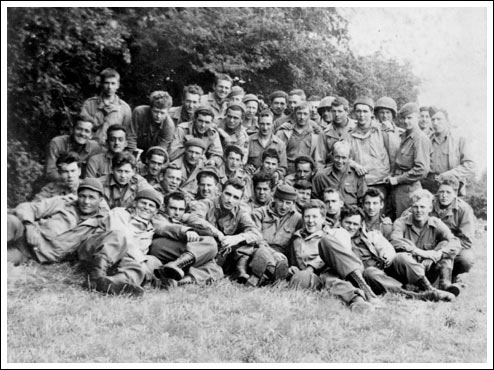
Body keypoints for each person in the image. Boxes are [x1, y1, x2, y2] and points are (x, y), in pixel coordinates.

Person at [340, 205, 454, 301]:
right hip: (367, 277)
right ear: (341, 222)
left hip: (385, 268)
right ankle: (416, 296)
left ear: (361, 224)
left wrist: (387, 255)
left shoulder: (370, 235)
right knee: (371, 272)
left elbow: (387, 248)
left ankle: (429, 288)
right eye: (348, 223)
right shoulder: (336, 238)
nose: (351, 227)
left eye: (355, 224)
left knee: (401, 257)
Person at [288, 200, 379, 311]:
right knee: (323, 279)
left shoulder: (336, 233)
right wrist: (293, 268)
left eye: (314, 217)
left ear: (323, 219)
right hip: (316, 277)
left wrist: (311, 267)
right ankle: (358, 301)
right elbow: (295, 263)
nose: (310, 221)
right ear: (302, 218)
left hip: (342, 270)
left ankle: (363, 291)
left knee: (327, 252)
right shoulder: (296, 239)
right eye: (307, 216)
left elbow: (342, 256)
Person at [78, 189, 164, 297]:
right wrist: (141, 260)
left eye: (151, 205)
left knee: (137, 267)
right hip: (96, 251)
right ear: (135, 203)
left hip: (119, 260)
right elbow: (120, 237)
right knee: (119, 236)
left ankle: (113, 283)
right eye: (143, 203)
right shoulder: (120, 212)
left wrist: (141, 264)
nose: (146, 207)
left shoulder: (150, 230)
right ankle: (95, 277)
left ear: (155, 211)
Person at [7, 179, 109, 265]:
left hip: (33, 255)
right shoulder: (63, 202)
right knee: (10, 221)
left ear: (100, 200)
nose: (86, 201)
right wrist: (29, 226)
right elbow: (27, 207)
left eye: (91, 197)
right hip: (24, 234)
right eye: (82, 196)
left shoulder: (102, 222)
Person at [186, 178, 262, 283]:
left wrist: (237, 238)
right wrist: (216, 233)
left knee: (248, 244)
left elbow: (256, 233)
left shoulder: (240, 212)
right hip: (203, 251)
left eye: (235, 197)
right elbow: (194, 218)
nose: (230, 200)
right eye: (228, 194)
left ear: (240, 200)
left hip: (222, 255)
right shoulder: (206, 204)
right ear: (221, 192)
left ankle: (239, 271)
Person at [390, 189, 462, 297]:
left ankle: (445, 284)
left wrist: (437, 254)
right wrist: (420, 252)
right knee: (400, 257)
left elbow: (455, 242)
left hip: (428, 269)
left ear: (430, 208)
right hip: (408, 272)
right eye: (415, 207)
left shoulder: (436, 223)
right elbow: (394, 241)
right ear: (411, 208)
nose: (419, 210)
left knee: (445, 244)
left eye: (422, 207)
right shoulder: (401, 222)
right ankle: (425, 288)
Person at [150, 191, 224, 288]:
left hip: (181, 253)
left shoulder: (184, 219)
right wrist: (185, 231)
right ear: (164, 207)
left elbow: (201, 223)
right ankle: (176, 265)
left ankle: (177, 282)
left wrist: (218, 233)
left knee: (216, 270)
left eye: (181, 209)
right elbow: (164, 228)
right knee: (211, 244)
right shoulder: (158, 217)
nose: (177, 213)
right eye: (173, 208)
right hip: (161, 248)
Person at [248, 185, 302, 286]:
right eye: (281, 201)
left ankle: (263, 277)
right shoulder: (259, 213)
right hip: (259, 251)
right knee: (262, 254)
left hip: (283, 258)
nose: (284, 206)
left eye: (288, 203)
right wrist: (272, 253)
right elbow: (256, 238)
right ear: (274, 199)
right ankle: (277, 276)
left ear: (293, 203)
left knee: (282, 263)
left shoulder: (298, 219)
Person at [384, 103, 431, 218]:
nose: (406, 121)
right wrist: (392, 176)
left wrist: (397, 179)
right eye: (404, 118)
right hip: (397, 190)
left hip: (410, 191)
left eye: (409, 118)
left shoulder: (420, 139)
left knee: (406, 224)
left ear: (418, 118)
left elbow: (421, 170)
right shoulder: (404, 136)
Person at [430, 176, 475, 284]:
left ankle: (453, 275)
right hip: (430, 243)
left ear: (455, 194)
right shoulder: (428, 202)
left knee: (466, 259)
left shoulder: (464, 209)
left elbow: (466, 240)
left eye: (448, 192)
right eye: (441, 192)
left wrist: (447, 247)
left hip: (454, 246)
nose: (444, 196)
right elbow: (412, 213)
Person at [422, 107, 475, 195]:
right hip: (429, 186)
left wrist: (448, 175)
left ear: (447, 121)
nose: (435, 123)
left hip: (451, 186)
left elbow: (470, 165)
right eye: (433, 120)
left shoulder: (459, 140)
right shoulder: (426, 140)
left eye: (439, 119)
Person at [348, 97, 390, 206]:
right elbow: (342, 157)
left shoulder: (382, 131)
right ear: (354, 113)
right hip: (359, 183)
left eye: (365, 111)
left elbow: (394, 155)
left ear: (371, 113)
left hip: (380, 183)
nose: (362, 115)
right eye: (358, 111)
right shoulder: (349, 134)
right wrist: (355, 165)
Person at [80, 68, 134, 149]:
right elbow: (82, 128)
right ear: (101, 84)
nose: (109, 87)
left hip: (112, 150)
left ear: (118, 85)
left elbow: (128, 134)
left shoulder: (124, 108)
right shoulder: (89, 104)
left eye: (113, 83)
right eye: (106, 83)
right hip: (90, 148)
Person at [312, 141, 367, 206]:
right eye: (337, 157)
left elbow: (363, 200)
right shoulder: (321, 176)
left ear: (349, 158)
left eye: (344, 158)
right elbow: (315, 200)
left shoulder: (357, 175)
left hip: (352, 213)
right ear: (332, 156)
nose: (340, 161)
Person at [317, 96, 356, 166]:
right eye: (334, 111)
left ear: (347, 112)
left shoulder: (356, 128)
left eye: (340, 111)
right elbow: (319, 160)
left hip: (354, 170)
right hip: (332, 171)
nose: (337, 115)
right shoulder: (325, 133)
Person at [247, 109, 287, 174]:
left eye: (268, 124)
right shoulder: (249, 141)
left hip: (271, 179)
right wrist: (247, 167)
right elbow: (242, 162)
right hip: (252, 177)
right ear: (258, 124)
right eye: (262, 124)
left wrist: (277, 174)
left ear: (273, 124)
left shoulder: (280, 144)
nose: (265, 128)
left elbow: (283, 168)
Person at [374, 96, 402, 165]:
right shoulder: (373, 131)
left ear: (393, 114)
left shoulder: (401, 133)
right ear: (377, 114)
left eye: (388, 112)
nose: (385, 116)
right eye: (381, 112)